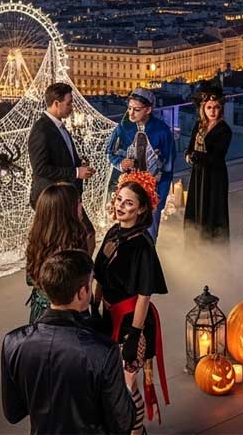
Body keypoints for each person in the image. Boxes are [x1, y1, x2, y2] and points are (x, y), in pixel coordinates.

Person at [2, 250, 135, 435]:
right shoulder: (103, 351)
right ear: (82, 293)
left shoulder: (13, 342)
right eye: (91, 283)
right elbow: (123, 423)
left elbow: (13, 413)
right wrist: (126, 385)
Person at [94, 178, 169, 434]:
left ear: (141, 209)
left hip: (132, 322)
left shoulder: (143, 245)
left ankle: (136, 433)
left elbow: (144, 295)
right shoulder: (113, 232)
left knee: (127, 385)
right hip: (109, 316)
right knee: (112, 381)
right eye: (119, 200)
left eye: (128, 203)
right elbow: (99, 275)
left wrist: (135, 335)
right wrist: (95, 307)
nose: (121, 206)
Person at [106, 87, 175, 240]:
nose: (131, 113)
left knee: (149, 235)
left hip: (153, 190)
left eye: (136, 110)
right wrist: (120, 163)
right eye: (129, 108)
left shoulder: (162, 131)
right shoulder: (122, 128)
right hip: (128, 189)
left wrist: (160, 198)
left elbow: (168, 167)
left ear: (148, 109)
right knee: (125, 231)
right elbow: (109, 153)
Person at [24, 182, 95, 324]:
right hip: (65, 317)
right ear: (67, 212)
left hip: (41, 311)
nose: (81, 207)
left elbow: (29, 278)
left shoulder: (39, 240)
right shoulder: (69, 250)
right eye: (78, 203)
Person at [28, 82, 96, 210]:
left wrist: (80, 166)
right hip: (52, 200)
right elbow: (40, 169)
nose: (72, 107)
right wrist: (76, 172)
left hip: (66, 196)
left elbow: (62, 157)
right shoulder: (41, 129)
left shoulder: (58, 126)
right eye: (68, 103)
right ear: (56, 104)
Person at [183, 83, 231, 246]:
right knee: (196, 205)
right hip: (198, 173)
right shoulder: (199, 125)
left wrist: (196, 156)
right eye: (209, 107)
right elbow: (190, 146)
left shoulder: (224, 130)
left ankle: (211, 244)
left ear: (221, 109)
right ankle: (194, 243)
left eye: (216, 107)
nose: (212, 111)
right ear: (203, 108)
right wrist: (188, 155)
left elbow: (217, 156)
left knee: (212, 209)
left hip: (214, 176)